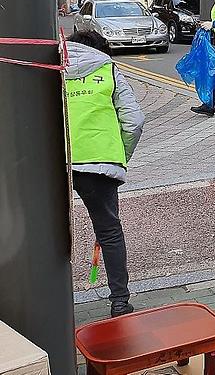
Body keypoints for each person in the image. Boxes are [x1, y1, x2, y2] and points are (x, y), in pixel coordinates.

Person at [65, 30, 145, 317]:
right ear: (101, 50)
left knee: (51, 235)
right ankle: (120, 301)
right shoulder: (108, 69)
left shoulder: (52, 69)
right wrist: (119, 156)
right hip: (99, 163)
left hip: (55, 162)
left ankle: (55, 301)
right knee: (109, 231)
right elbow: (134, 121)